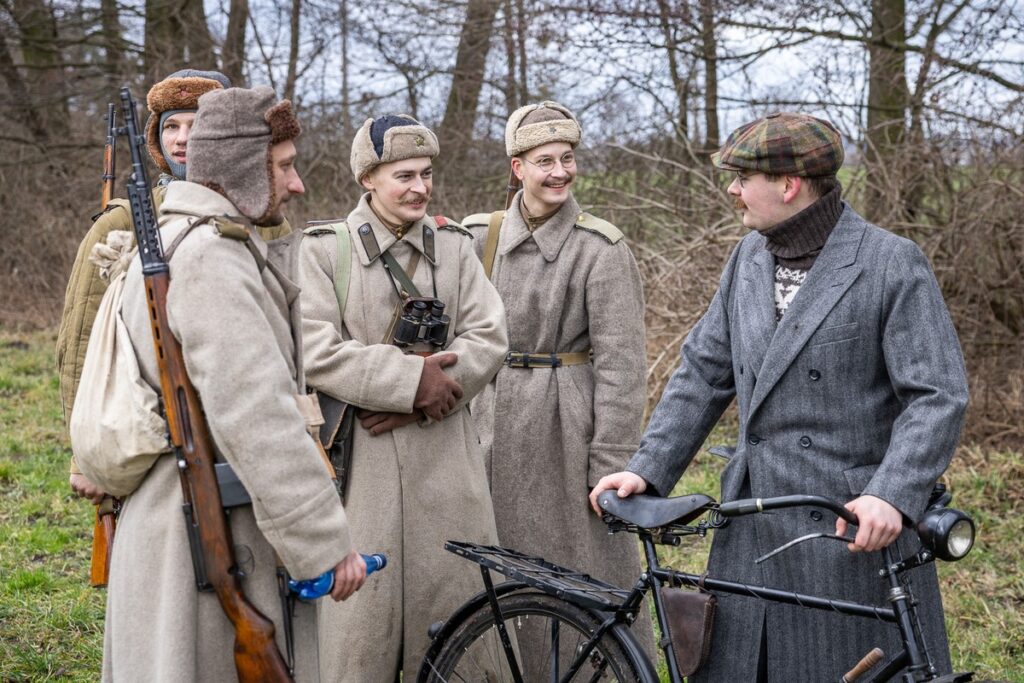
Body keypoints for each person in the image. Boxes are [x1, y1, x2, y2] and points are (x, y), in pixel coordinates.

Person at [590, 112, 969, 681]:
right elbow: (703, 371)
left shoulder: (890, 262)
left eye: (743, 177)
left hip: (847, 533)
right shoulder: (748, 258)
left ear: (788, 184)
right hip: (751, 525)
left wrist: (892, 495)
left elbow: (938, 395)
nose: (733, 190)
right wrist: (648, 468)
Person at [101, 86, 364, 682]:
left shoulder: (187, 241)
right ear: (246, 167)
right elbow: (257, 415)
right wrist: (325, 542)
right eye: (283, 166)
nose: (297, 184)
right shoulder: (212, 257)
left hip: (194, 520)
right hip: (201, 535)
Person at [298, 115, 507, 680]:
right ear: (368, 178)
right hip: (363, 466)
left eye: (426, 173)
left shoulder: (456, 247)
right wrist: (410, 384)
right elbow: (315, 348)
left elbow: (490, 335)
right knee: (362, 634)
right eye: (403, 176)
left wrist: (432, 394)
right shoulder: (324, 251)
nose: (420, 187)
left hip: (449, 459)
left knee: (459, 618)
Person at [461, 101, 653, 665]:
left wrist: (610, 464)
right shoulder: (478, 237)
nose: (560, 172)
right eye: (544, 160)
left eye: (567, 158)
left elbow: (623, 368)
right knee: (492, 565)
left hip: (567, 429)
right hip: (489, 421)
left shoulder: (602, 248)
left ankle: (603, 669)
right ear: (516, 167)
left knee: (583, 569)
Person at [56, 69, 291, 503]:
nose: (181, 139)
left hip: (249, 427)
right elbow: (86, 342)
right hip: (152, 434)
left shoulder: (266, 217)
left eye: (196, 124)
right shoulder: (121, 221)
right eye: (170, 127)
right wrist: (85, 454)